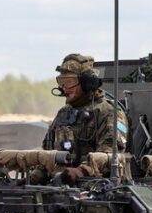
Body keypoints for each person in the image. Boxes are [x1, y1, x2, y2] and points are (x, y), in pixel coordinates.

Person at [40, 53, 127, 183]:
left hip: (98, 188)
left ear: (87, 83)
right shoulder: (63, 113)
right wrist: (35, 176)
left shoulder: (109, 113)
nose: (64, 88)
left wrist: (82, 171)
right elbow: (48, 154)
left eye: (69, 82)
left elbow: (109, 155)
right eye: (61, 82)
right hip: (60, 186)